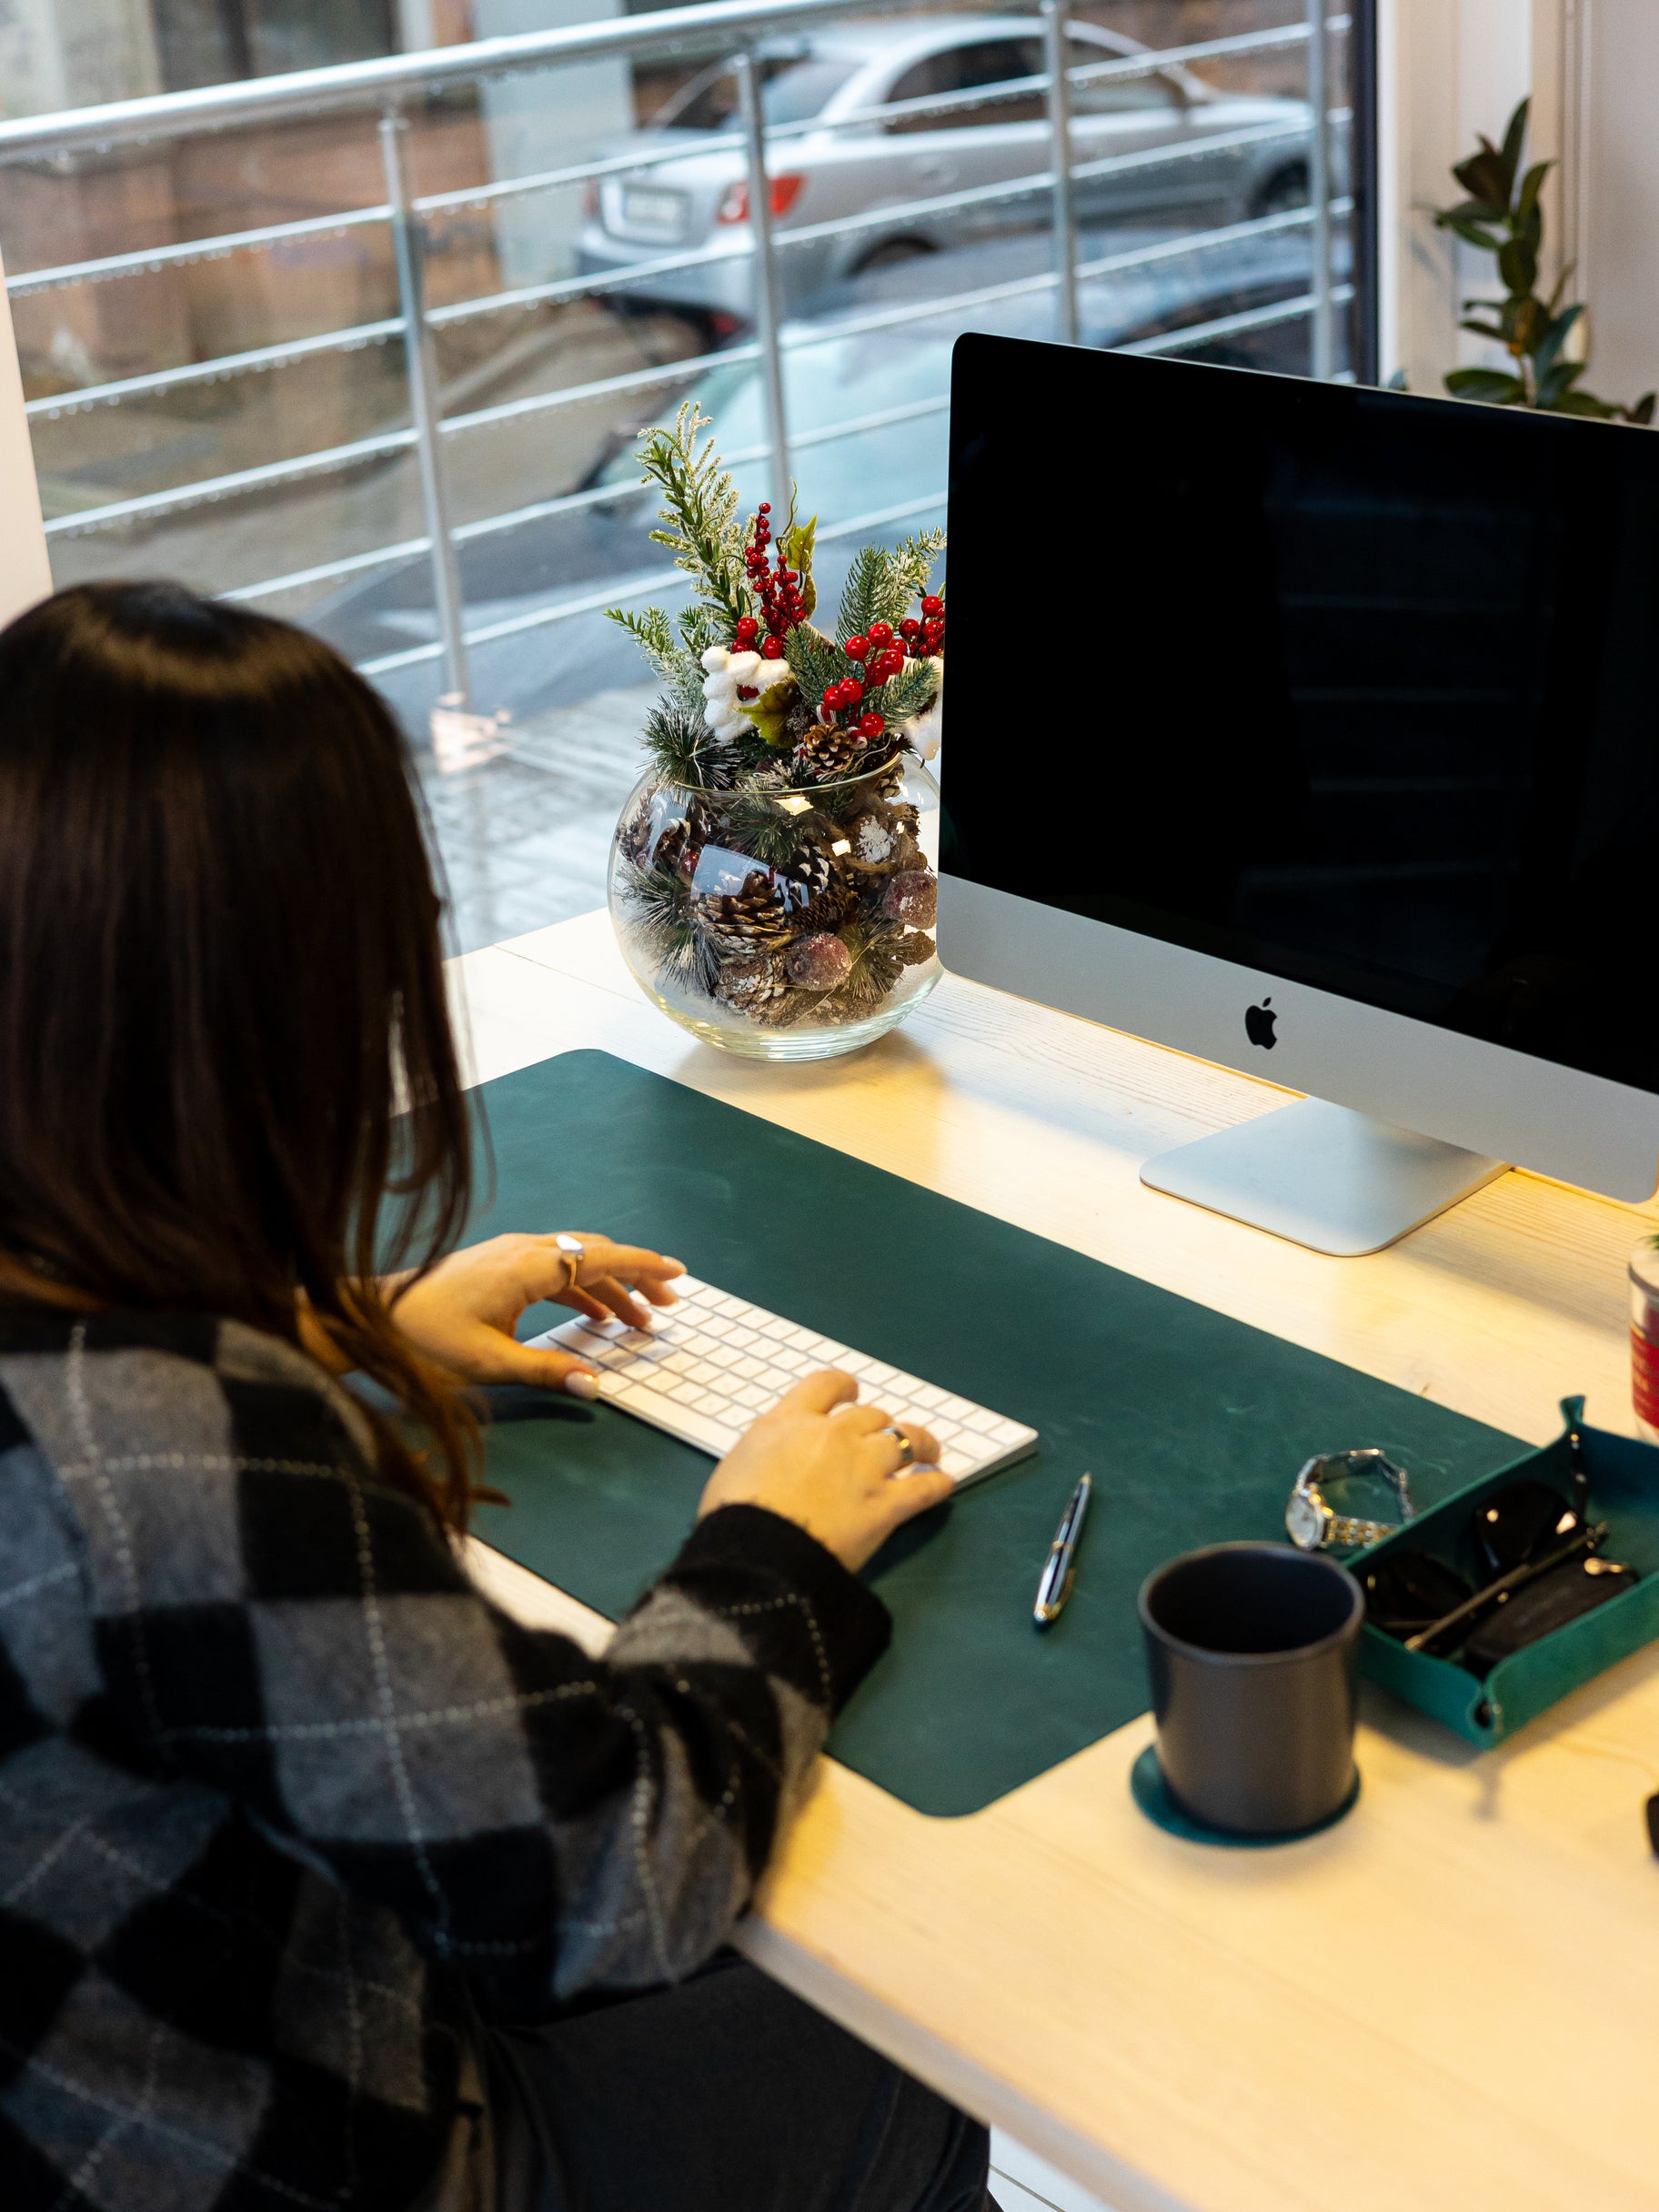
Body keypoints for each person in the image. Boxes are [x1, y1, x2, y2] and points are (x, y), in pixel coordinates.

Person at [0, 582, 996, 2212]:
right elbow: (611, 1872)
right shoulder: (173, 1456)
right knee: (906, 2027)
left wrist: (349, 1321)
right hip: (301, 2158)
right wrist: (771, 1547)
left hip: (91, 2099)